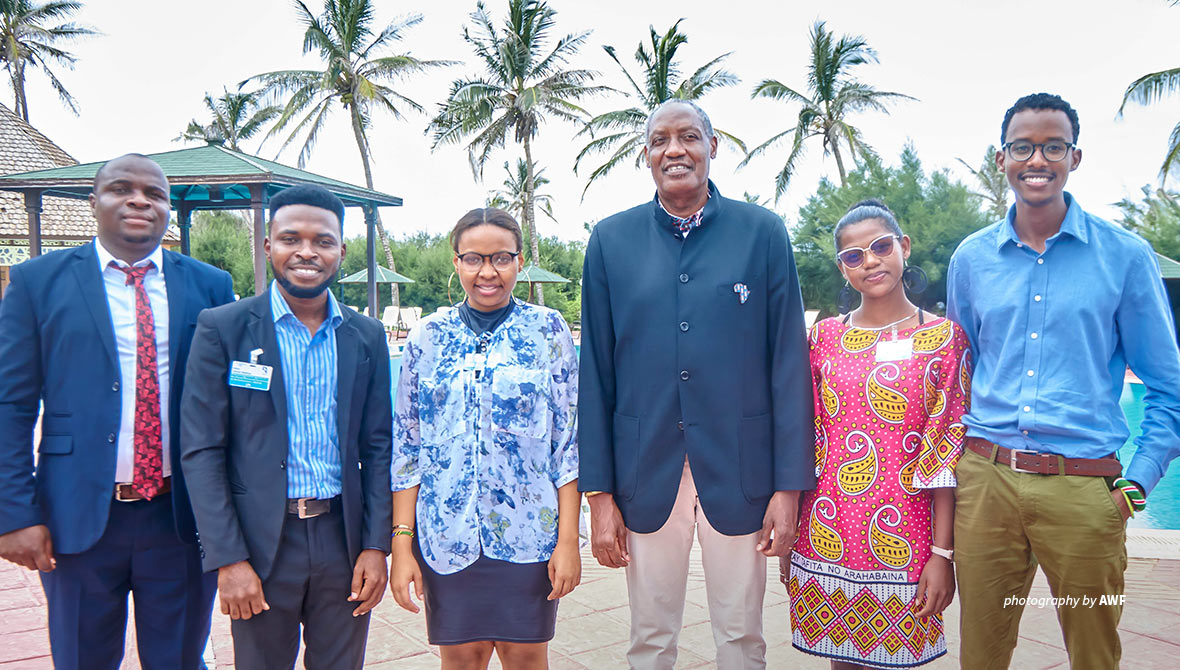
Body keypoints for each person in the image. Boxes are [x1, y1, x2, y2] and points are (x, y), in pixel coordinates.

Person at [578, 99, 815, 669]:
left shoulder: (762, 233)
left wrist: (789, 488)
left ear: (713, 146)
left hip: (741, 468)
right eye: (660, 140)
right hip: (644, 470)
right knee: (650, 637)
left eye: (688, 136)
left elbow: (788, 364)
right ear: (646, 155)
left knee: (741, 636)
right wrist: (599, 496)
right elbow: (596, 374)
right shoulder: (611, 240)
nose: (675, 150)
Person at [947, 92, 1180, 669]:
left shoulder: (1125, 257)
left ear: (1075, 157)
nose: (1037, 160)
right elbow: (958, 373)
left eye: (1054, 147)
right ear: (1001, 159)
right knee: (981, 655)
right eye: (1022, 147)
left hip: (1082, 489)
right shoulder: (971, 260)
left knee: (1093, 655)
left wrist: (1136, 486)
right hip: (987, 484)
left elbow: (1168, 388)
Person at [0, 153, 234, 669]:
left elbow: (228, 403)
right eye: (122, 189)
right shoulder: (38, 282)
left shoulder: (209, 285)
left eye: (155, 194)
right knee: (82, 659)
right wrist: (13, 514)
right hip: (77, 516)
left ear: (167, 209)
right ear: (93, 202)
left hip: (179, 518)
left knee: (179, 660)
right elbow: (10, 405)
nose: (139, 201)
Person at [180, 184, 392, 669]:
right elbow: (202, 449)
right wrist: (229, 558)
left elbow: (378, 446)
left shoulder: (365, 336)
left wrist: (375, 545)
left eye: (323, 241)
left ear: (341, 251)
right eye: (291, 238)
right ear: (268, 245)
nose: (306, 252)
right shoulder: (224, 328)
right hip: (259, 545)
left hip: (342, 541)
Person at [388, 207, 580, 670]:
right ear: (456, 262)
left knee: (526, 658)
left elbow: (567, 442)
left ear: (518, 262)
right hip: (447, 537)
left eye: (501, 258)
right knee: (462, 659)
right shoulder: (427, 337)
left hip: (528, 535)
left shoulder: (548, 330)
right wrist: (401, 544)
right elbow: (407, 445)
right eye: (473, 259)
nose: (488, 272)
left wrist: (569, 541)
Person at [787, 199, 970, 669]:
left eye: (881, 247)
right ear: (843, 268)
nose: (870, 261)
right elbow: (805, 437)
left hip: (908, 540)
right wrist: (790, 531)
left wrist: (942, 554)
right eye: (854, 255)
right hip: (824, 535)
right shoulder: (823, 338)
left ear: (904, 247)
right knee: (841, 661)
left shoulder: (945, 339)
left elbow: (945, 451)